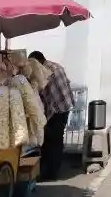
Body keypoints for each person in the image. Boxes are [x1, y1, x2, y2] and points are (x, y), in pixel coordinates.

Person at [28, 51, 75, 181]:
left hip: (57, 109)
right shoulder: (57, 66)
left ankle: (50, 172)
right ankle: (52, 169)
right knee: (56, 139)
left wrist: (43, 118)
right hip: (65, 105)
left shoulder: (44, 72)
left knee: (51, 141)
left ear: (37, 62)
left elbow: (47, 98)